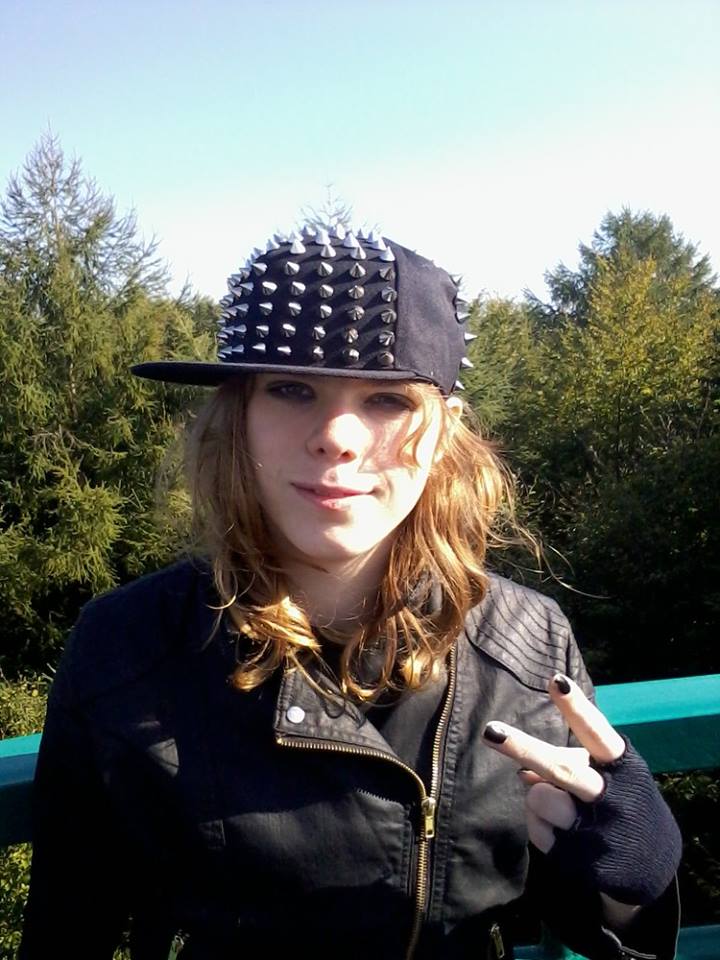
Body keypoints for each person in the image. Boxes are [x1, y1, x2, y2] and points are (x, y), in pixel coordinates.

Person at [20, 225, 681, 960]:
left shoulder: (530, 642)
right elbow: (65, 932)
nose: (337, 435)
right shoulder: (127, 647)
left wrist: (631, 889)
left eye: (388, 400)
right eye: (291, 389)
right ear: (238, 417)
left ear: (444, 433)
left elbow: (582, 907)